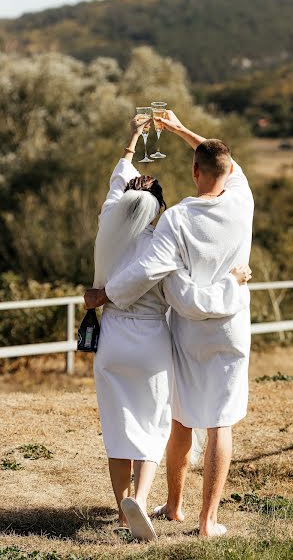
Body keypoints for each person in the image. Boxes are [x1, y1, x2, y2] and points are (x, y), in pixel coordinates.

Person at [85, 111, 253, 537]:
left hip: (166, 333)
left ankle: (160, 507)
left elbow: (153, 269)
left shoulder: (153, 221)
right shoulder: (240, 199)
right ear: (226, 171)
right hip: (218, 328)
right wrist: (179, 129)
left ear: (194, 171)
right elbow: (222, 161)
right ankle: (197, 518)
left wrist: (103, 294)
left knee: (166, 420)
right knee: (211, 422)